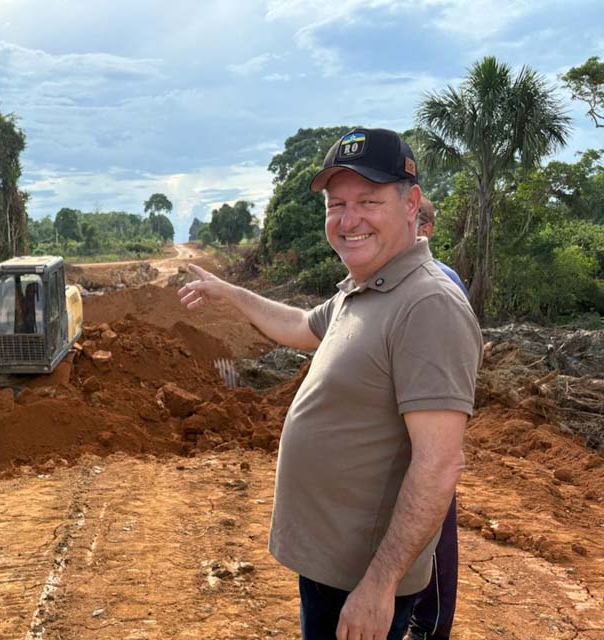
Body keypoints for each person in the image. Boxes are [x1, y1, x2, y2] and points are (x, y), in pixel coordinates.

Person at [179, 128, 482, 640]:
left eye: (368, 201)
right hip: (332, 570)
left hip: (362, 581)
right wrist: (229, 292)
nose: (348, 219)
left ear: (411, 204)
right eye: (336, 204)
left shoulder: (427, 304)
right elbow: (300, 325)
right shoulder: (365, 289)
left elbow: (439, 464)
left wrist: (380, 585)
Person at [405, 196, 467, 640]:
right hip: (402, 427)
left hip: (428, 426)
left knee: (434, 526)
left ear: (423, 229)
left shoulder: (440, 282)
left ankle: (430, 626)